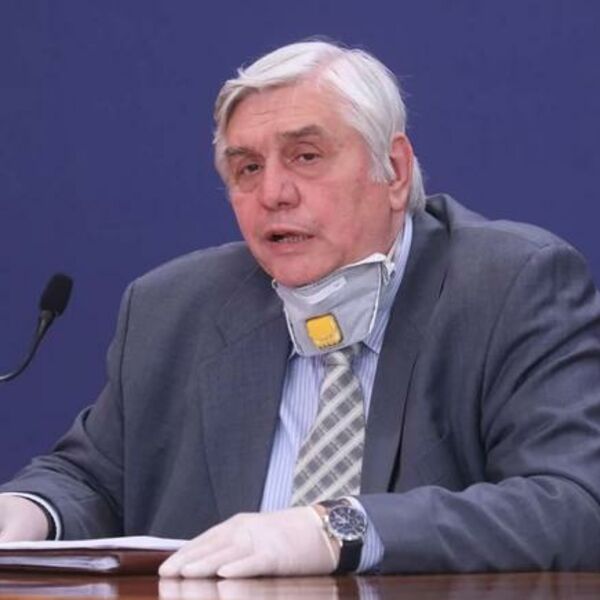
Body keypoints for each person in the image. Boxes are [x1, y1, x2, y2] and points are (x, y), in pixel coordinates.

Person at [2, 39, 600, 578]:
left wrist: (335, 528)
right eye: (248, 168)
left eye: (306, 156)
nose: (273, 193)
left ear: (393, 170)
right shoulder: (174, 307)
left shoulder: (510, 285)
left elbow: (574, 503)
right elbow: (90, 478)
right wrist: (30, 509)